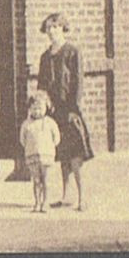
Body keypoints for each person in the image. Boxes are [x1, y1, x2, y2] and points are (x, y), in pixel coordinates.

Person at [37, 12, 94, 211]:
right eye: (49, 28)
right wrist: (44, 104)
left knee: (76, 157)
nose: (52, 32)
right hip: (54, 113)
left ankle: (82, 198)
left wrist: (73, 108)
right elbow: (42, 85)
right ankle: (66, 196)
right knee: (62, 157)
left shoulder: (72, 52)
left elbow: (78, 83)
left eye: (56, 27)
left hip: (70, 111)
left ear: (63, 28)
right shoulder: (45, 57)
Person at [19, 91, 60, 214]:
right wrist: (29, 148)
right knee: (36, 180)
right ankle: (37, 202)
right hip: (32, 156)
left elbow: (56, 137)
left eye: (40, 108)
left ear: (46, 107)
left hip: (47, 156)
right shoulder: (27, 124)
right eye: (34, 108)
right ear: (30, 109)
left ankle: (45, 202)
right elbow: (22, 139)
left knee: (46, 180)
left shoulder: (50, 123)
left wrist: (51, 147)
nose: (37, 111)